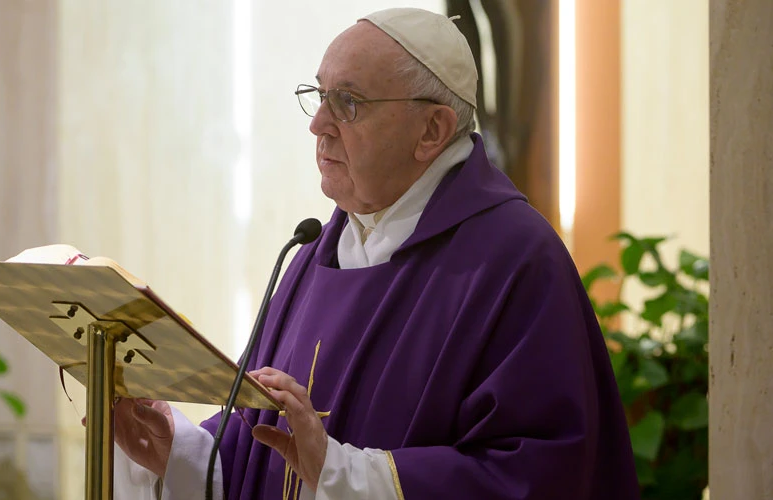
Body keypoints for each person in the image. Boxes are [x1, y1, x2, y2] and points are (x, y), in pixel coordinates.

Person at [113, 7, 640, 500]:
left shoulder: (514, 262)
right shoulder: (315, 254)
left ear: (432, 130)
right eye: (317, 95)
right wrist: (179, 453)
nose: (317, 124)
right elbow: (262, 450)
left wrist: (341, 472)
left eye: (347, 102)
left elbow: (536, 478)